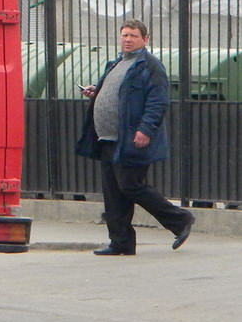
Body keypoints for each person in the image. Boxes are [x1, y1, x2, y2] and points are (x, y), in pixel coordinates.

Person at [76, 19, 195, 255]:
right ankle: (120, 242)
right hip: (108, 138)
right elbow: (119, 95)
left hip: (131, 138)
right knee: (113, 192)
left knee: (131, 186)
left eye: (133, 35)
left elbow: (158, 101)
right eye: (124, 35)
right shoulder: (117, 63)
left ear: (145, 39)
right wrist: (96, 93)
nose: (127, 39)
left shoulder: (150, 66)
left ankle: (180, 219)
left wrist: (145, 130)